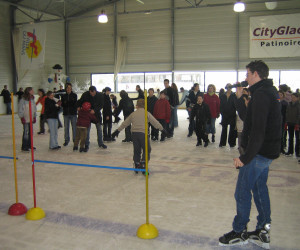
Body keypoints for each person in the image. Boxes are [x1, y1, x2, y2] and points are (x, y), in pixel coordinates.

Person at [219, 60, 282, 249]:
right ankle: (263, 229)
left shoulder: (262, 95)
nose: (245, 78)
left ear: (255, 74)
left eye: (247, 74)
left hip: (258, 153)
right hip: (264, 152)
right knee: (259, 189)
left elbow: (258, 131)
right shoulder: (264, 93)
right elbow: (249, 119)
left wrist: (245, 157)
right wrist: (239, 99)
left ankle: (239, 231)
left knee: (242, 191)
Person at [111, 99, 164, 174]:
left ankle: (136, 163)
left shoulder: (133, 114)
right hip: (143, 134)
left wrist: (117, 131)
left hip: (134, 134)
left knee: (137, 150)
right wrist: (162, 129)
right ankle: (143, 163)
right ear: (145, 106)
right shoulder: (146, 113)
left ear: (137, 106)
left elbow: (125, 123)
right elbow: (155, 122)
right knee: (147, 149)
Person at [76, 86, 107, 151]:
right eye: (90, 93)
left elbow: (101, 104)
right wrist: (78, 106)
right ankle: (86, 144)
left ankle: (100, 143)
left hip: (97, 115)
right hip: (87, 115)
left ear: (95, 91)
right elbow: (80, 101)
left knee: (99, 129)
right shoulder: (85, 94)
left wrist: (95, 110)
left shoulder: (100, 95)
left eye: (92, 93)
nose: (91, 94)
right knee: (87, 130)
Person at [18, 87, 37, 152]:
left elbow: (34, 109)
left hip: (31, 118)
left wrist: (34, 116)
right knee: (26, 132)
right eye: (32, 90)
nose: (33, 91)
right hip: (26, 119)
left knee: (31, 132)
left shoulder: (32, 99)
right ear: (29, 91)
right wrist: (22, 117)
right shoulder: (23, 100)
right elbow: (20, 109)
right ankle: (24, 146)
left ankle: (30, 145)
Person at [219, 83, 237, 148]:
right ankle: (222, 143)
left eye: (230, 86)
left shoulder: (234, 95)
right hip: (224, 114)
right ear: (226, 87)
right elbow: (220, 104)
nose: (229, 88)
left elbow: (236, 104)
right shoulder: (222, 95)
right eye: (228, 86)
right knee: (224, 129)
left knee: (232, 129)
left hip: (232, 114)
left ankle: (232, 143)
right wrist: (221, 112)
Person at [235, 87, 250, 155]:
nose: (243, 93)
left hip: (248, 124)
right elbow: (237, 108)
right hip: (240, 122)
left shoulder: (251, 100)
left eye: (245, 91)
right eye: (242, 91)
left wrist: (247, 105)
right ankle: (242, 153)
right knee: (240, 138)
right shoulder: (239, 100)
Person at [284, 93, 300, 157]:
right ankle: (290, 151)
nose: (292, 99)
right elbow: (287, 113)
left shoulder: (298, 105)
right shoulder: (289, 104)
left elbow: (299, 115)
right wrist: (286, 121)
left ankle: (297, 152)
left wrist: (297, 123)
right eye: (292, 97)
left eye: (294, 97)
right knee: (290, 138)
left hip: (296, 124)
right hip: (290, 122)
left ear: (297, 98)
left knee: (297, 138)